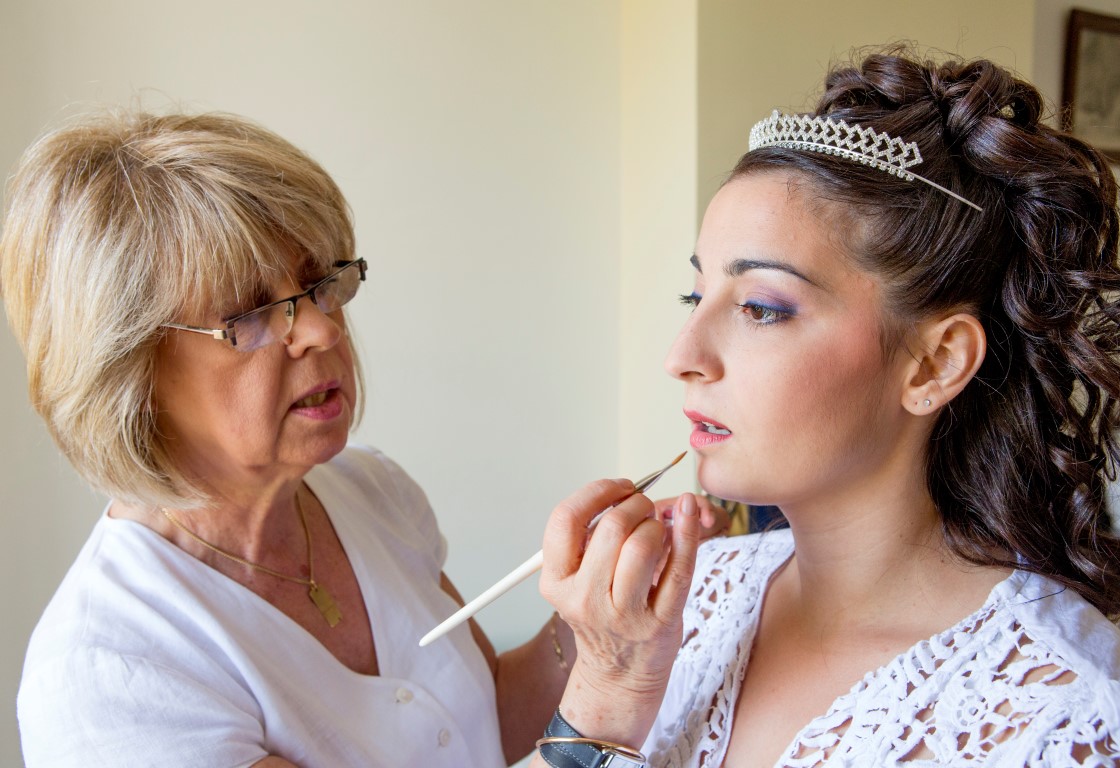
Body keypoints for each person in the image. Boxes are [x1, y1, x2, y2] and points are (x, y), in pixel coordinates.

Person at [0, 109, 709, 767]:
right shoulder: (110, 674)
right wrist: (610, 691)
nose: (321, 329)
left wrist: (594, 616)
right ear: (126, 372)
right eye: (248, 313)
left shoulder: (374, 493)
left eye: (319, 285)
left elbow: (485, 717)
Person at [563, 48, 1120, 767]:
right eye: (696, 295)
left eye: (761, 308)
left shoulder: (1067, 718)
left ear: (934, 364)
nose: (682, 354)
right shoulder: (684, 605)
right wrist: (601, 695)